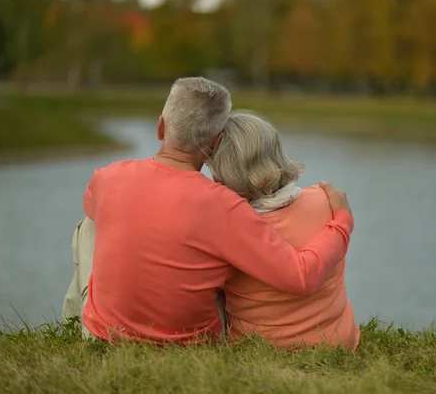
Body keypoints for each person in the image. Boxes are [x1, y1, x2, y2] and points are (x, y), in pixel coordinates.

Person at [62, 77, 354, 346]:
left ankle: (73, 325)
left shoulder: (107, 177)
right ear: (216, 144)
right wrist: (342, 220)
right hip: (190, 346)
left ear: (160, 127)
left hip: (104, 335)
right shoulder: (225, 206)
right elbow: (300, 276)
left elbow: (96, 210)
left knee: (90, 223)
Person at [208, 111, 360, 350]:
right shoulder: (328, 200)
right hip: (338, 343)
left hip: (260, 346)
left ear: (223, 169)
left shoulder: (225, 227)